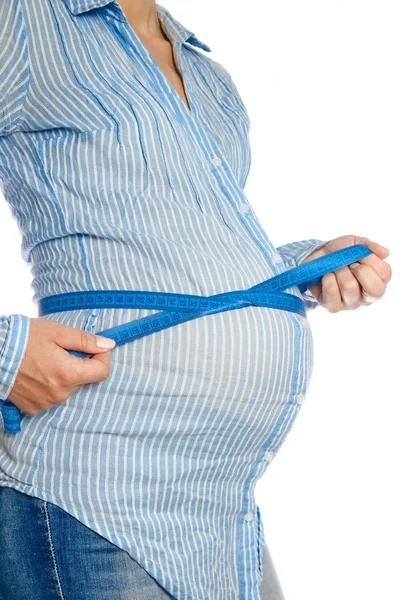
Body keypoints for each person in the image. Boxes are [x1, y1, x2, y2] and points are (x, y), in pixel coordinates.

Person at [0, 1, 391, 599]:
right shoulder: (24, 20)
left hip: (221, 507)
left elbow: (177, 252)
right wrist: (5, 353)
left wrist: (300, 265)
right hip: (91, 484)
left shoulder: (209, 75)